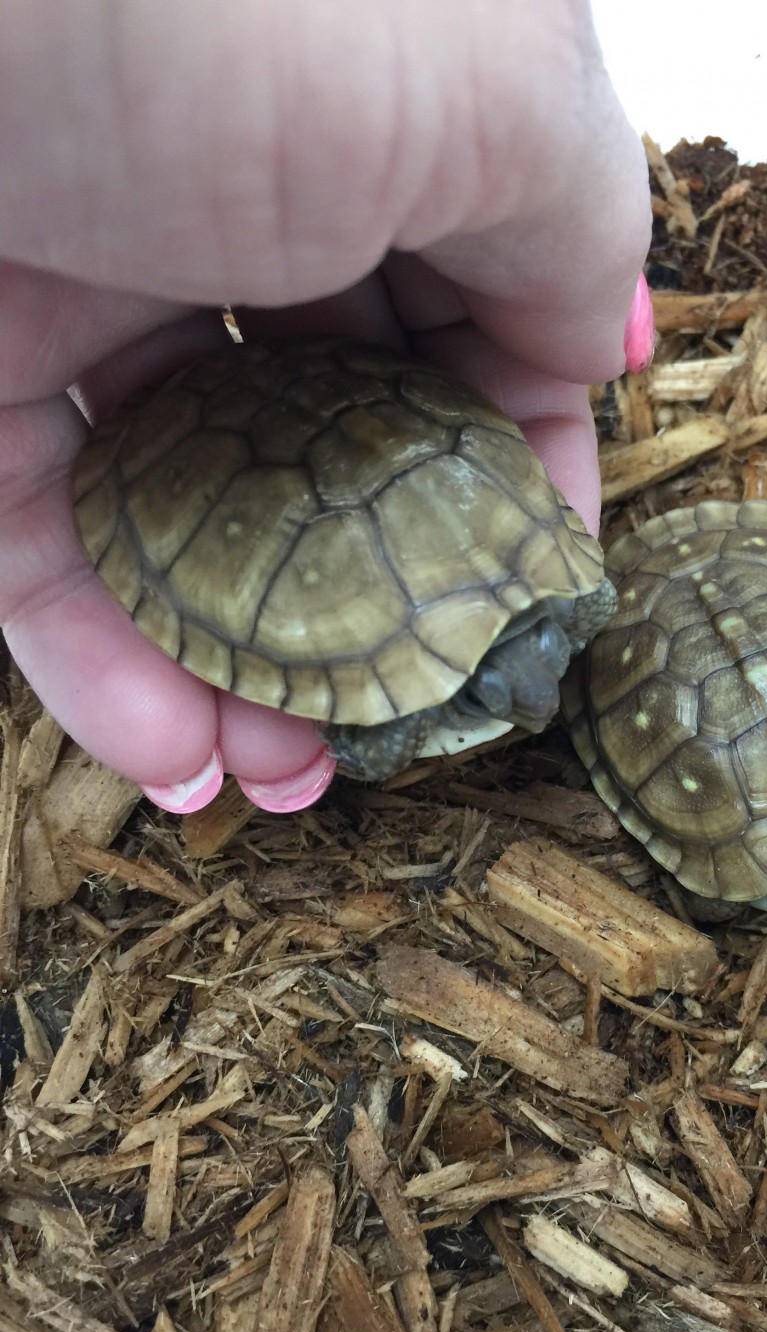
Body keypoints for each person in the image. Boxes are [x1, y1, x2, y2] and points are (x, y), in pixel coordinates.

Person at [0, 1, 653, 814]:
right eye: (493, 701)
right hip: (207, 457)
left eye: (548, 649)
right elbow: (378, 741)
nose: (537, 709)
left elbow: (585, 600)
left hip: (340, 400)